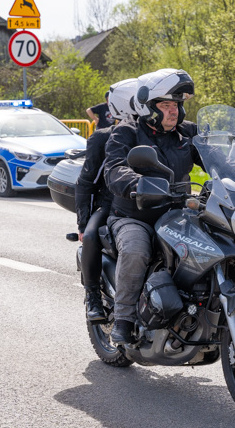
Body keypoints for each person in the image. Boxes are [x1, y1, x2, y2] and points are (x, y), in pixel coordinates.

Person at [103, 68, 198, 344]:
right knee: (135, 249)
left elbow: (219, 154)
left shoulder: (186, 134)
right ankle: (123, 320)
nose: (173, 111)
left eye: (177, 106)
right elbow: (114, 169)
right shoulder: (127, 133)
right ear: (148, 107)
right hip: (135, 215)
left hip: (177, 213)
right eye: (166, 105)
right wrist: (137, 184)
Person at [77, 78, 139, 321]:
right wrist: (83, 223)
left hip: (151, 203)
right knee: (91, 236)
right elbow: (85, 182)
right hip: (111, 204)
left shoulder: (155, 134)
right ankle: (92, 295)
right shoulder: (102, 138)